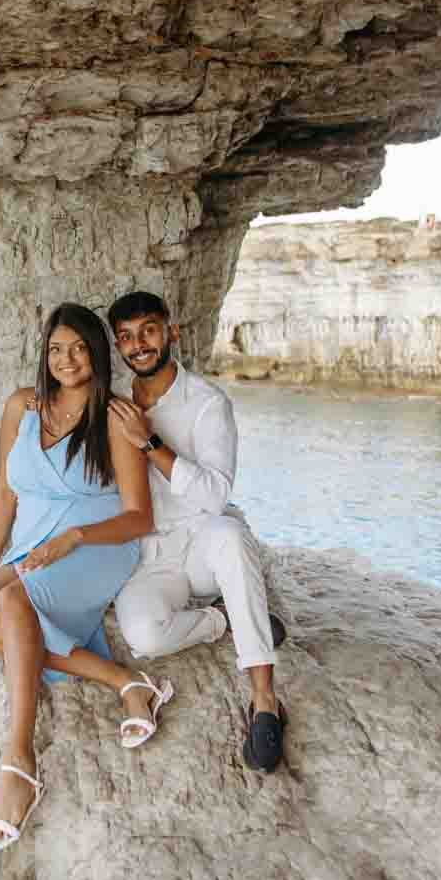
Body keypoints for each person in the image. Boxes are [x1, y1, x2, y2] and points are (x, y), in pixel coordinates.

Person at [0, 303, 165, 853]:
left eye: (80, 348)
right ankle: (125, 682)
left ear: (97, 353)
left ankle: (18, 760)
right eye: (56, 349)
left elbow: (140, 516)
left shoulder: (114, 416)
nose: (67, 360)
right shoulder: (22, 406)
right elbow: (4, 491)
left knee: (14, 602)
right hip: (30, 546)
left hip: (94, 546)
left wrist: (77, 539)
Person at [105, 291, 294, 772]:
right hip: (151, 558)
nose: (139, 345)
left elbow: (214, 494)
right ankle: (223, 622)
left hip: (203, 541)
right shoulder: (114, 406)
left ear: (171, 331)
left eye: (148, 330)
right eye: (126, 337)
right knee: (144, 636)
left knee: (230, 533)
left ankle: (264, 701)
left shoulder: (209, 404)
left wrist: (149, 443)